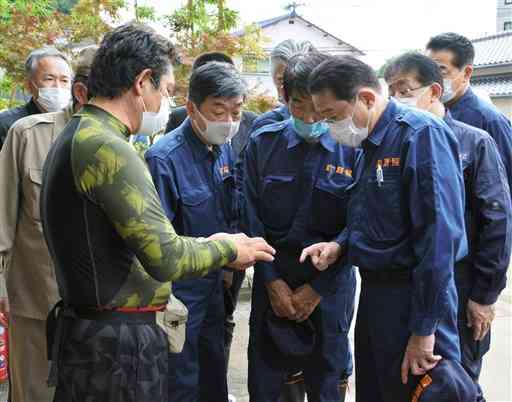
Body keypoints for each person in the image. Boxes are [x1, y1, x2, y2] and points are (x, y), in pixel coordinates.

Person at [40, 23, 275, 402]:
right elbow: (164, 257)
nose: (165, 103)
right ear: (142, 82)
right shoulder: (108, 148)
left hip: (95, 335)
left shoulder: (80, 133)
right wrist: (230, 250)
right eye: (165, 91)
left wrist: (206, 241)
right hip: (115, 347)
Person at [301, 56, 467, 402]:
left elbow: (439, 241)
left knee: (419, 392)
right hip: (376, 296)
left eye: (332, 116)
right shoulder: (369, 143)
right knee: (377, 391)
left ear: (366, 98)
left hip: (415, 297)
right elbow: (367, 214)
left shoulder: (421, 136)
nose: (330, 127)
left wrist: (424, 330)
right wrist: (340, 246)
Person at [385, 52, 512, 401]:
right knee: (416, 382)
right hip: (416, 285)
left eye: (405, 90)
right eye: (391, 90)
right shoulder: (398, 141)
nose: (397, 99)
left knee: (456, 380)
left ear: (434, 92)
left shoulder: (473, 141)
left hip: (461, 283)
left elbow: (497, 219)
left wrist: (484, 296)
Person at [243, 52, 357, 402]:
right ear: (284, 96)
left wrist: (318, 289)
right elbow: (248, 215)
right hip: (272, 282)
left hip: (329, 291)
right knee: (269, 387)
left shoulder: (353, 148)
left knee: (326, 386)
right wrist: (272, 281)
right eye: (297, 105)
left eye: (317, 108)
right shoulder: (262, 144)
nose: (309, 117)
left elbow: (360, 224)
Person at [145, 61, 246, 402]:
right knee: (181, 382)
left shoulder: (223, 148)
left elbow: (228, 207)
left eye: (236, 111)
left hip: (214, 286)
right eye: (219, 111)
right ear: (191, 108)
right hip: (177, 295)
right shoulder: (163, 159)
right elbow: (157, 242)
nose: (229, 122)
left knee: (214, 373)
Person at [0, 45, 95, 402]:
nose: (58, 85)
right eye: (50, 79)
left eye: (63, 78)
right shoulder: (25, 133)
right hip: (35, 297)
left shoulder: (119, 142)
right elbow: (3, 216)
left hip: (92, 306)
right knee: (34, 392)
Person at [426, 33, 512, 194]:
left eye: (441, 71)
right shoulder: (423, 115)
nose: (431, 79)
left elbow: (504, 189)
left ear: (466, 73)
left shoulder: (490, 120)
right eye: (426, 71)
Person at [0, 47, 73, 149]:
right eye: (49, 79)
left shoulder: (76, 123)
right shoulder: (7, 124)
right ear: (29, 85)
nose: (58, 87)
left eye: (64, 80)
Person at [249, 39, 316, 132]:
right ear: (273, 78)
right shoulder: (265, 125)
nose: (290, 88)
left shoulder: (336, 123)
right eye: (282, 80)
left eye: (300, 81)